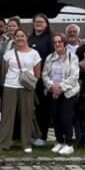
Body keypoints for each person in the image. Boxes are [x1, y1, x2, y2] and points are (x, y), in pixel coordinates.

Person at [0, 29, 41, 155]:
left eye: (22, 36)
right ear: (14, 38)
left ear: (26, 37)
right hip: (10, 86)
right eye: (17, 36)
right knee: (7, 115)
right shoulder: (9, 54)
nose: (20, 38)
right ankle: (2, 143)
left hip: (26, 87)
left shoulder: (34, 53)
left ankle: (26, 143)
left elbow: (37, 73)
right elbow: (5, 71)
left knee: (26, 115)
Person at [41, 33, 80, 155]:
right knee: (56, 117)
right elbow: (44, 75)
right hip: (53, 91)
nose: (57, 44)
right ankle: (59, 141)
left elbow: (74, 76)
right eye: (55, 42)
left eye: (60, 42)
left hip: (68, 92)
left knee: (65, 117)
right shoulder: (49, 58)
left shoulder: (72, 57)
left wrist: (61, 88)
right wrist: (52, 86)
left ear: (65, 43)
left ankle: (69, 143)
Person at [28, 13, 53, 146]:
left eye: (41, 22)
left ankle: (42, 136)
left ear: (46, 24)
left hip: (44, 80)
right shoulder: (30, 38)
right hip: (31, 79)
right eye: (36, 22)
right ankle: (34, 134)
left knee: (44, 109)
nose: (38, 24)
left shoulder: (50, 39)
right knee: (34, 109)